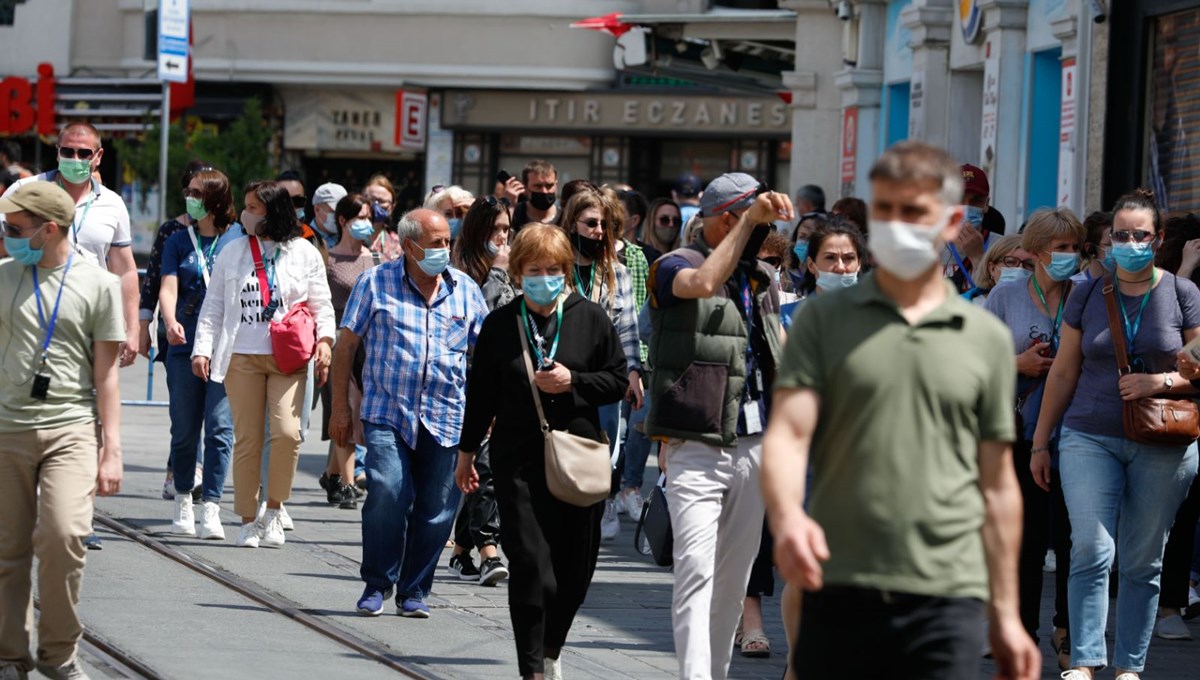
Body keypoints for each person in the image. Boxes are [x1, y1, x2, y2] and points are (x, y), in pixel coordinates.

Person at [762, 141, 1039, 680]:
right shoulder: (822, 321)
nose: (898, 226)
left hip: (946, 590)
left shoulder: (982, 336)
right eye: (886, 211)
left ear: (954, 220)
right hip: (840, 577)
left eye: (914, 212)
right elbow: (788, 435)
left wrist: (1005, 613)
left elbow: (997, 484)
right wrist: (789, 518)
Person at [1033, 189, 1200, 679]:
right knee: (1090, 546)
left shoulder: (1183, 294)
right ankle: (1084, 661)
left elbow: (1198, 364)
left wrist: (1161, 380)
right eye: (1120, 235)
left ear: (1158, 239)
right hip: (1089, 434)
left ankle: (1129, 666)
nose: (1128, 243)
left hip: (1163, 440)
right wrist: (1042, 441)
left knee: (1144, 560)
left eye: (1139, 235)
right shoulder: (1088, 291)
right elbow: (1063, 372)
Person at [457, 223, 629, 680]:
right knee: (533, 567)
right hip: (518, 462)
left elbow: (617, 379)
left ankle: (551, 647)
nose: (545, 277)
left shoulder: (590, 317)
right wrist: (467, 453)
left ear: (566, 271)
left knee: (573, 575)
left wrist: (576, 381)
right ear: (518, 272)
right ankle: (531, 669)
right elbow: (481, 396)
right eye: (535, 269)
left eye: (554, 269)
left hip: (578, 458)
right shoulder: (499, 325)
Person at [645, 172, 792, 680]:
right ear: (727, 219)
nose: (760, 232)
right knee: (695, 571)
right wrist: (751, 219)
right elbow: (704, 283)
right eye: (750, 221)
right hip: (696, 442)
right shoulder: (672, 266)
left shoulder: (761, 280)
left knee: (733, 582)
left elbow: (780, 359)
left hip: (754, 443)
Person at [331, 209, 487, 618]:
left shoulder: (466, 290)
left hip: (448, 415)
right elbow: (344, 347)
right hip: (387, 411)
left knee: (437, 510)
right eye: (436, 243)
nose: (444, 250)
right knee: (388, 492)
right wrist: (342, 410)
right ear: (409, 246)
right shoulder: (375, 283)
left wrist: (489, 411)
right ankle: (378, 582)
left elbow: (486, 357)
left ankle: (414, 589)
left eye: (447, 242)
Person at [0, 182, 124, 680]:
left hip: (70, 429)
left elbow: (108, 374)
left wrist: (110, 450)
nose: (7, 236)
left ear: (48, 229)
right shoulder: (4, 277)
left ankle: (58, 653)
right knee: (7, 550)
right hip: (6, 428)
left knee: (64, 535)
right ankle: (10, 655)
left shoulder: (99, 285)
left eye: (14, 229)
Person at [191, 180, 335, 549]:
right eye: (247, 206)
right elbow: (214, 306)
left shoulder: (303, 252)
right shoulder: (233, 250)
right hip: (241, 355)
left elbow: (321, 304)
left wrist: (325, 342)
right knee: (249, 439)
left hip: (288, 356)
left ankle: (274, 510)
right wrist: (202, 350)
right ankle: (247, 519)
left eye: (254, 207)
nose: (246, 213)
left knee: (287, 433)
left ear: (273, 211)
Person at [983, 208, 1084, 669]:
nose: (1069, 256)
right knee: (1022, 545)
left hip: (1075, 436)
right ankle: (1022, 637)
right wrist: (1017, 364)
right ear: (1038, 251)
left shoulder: (1085, 294)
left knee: (1072, 541)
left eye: (1075, 247)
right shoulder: (1005, 295)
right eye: (1060, 248)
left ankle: (1068, 633)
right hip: (1018, 433)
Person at [2, 123, 139, 369]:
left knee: (88, 396)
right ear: (57, 152)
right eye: (68, 152)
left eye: (84, 153)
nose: (75, 159)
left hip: (87, 320)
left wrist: (133, 327)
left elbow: (126, 270)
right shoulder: (25, 191)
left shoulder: (113, 204)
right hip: (28, 314)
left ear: (98, 157)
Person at [160, 169, 238, 540]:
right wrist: (170, 319)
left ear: (216, 200)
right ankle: (183, 500)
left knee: (221, 429)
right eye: (187, 190)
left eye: (195, 193)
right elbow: (168, 285)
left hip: (226, 348)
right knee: (185, 429)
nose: (188, 197)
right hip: (184, 346)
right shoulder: (178, 240)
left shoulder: (236, 240)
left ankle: (212, 506)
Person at [563, 189, 643, 541]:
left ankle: (599, 503)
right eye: (591, 223)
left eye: (605, 225)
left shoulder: (616, 272)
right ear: (572, 223)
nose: (598, 231)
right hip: (562, 374)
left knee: (605, 451)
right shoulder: (557, 267)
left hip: (604, 378)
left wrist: (634, 372)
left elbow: (628, 327)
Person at [446, 194, 515, 585]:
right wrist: (500, 274)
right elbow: (484, 325)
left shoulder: (511, 266)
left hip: (509, 383)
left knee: (489, 468)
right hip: (470, 381)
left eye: (507, 229)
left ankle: (460, 549)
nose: (503, 237)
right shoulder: (462, 271)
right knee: (483, 467)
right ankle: (489, 550)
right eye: (496, 229)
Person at [136, 158, 212, 500]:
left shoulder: (230, 236)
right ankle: (182, 472)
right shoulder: (172, 232)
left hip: (215, 338)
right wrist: (144, 324)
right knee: (184, 410)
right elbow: (153, 279)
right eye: (193, 190)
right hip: (177, 334)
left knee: (212, 416)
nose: (198, 197)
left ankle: (190, 474)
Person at [318, 193, 376, 510]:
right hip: (340, 341)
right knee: (345, 410)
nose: (366, 223)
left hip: (368, 345)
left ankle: (332, 474)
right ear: (343, 221)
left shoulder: (375, 259)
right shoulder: (328, 260)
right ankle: (348, 484)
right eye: (359, 217)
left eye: (368, 216)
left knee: (359, 413)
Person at [972, 234, 1031, 306]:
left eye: (1029, 264)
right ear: (992, 269)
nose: (1020, 269)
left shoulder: (1042, 310)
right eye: (1010, 262)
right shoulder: (967, 308)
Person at [511, 160, 560, 232]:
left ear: (556, 185)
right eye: (538, 186)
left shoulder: (565, 218)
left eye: (549, 186)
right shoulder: (515, 215)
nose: (544, 191)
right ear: (525, 187)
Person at [363, 174, 402, 262]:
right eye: (371, 199)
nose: (376, 204)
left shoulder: (398, 244)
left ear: (392, 206)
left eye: (382, 201)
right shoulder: (350, 238)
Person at [1073, 211, 1114, 284]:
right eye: (1109, 244)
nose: (1116, 249)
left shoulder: (1128, 285)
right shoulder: (1073, 286)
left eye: (1119, 243)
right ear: (1090, 248)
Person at [311, 182, 348, 249]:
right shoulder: (304, 239)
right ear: (317, 210)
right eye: (334, 212)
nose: (340, 217)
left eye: (344, 211)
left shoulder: (352, 237)